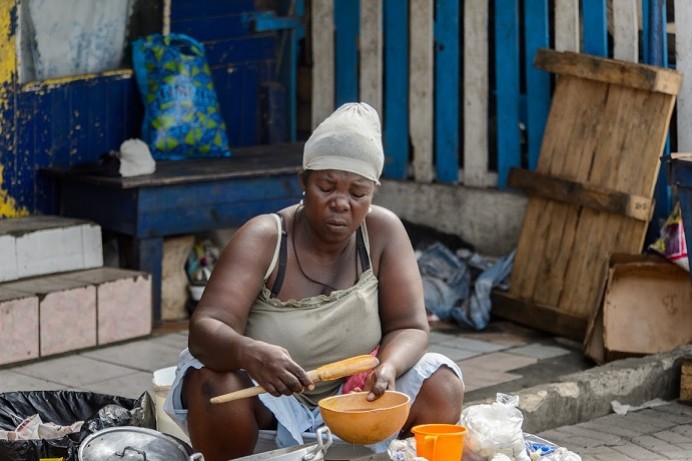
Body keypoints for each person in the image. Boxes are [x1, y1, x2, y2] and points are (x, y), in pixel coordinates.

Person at [164, 102, 465, 461]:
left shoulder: (382, 232)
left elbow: (410, 326)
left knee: (442, 384)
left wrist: (388, 366)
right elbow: (204, 329)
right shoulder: (266, 237)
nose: (341, 203)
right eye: (327, 187)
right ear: (303, 181)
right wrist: (249, 351)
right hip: (270, 401)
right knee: (212, 381)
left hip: (356, 399)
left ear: (373, 193)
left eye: (357, 193)